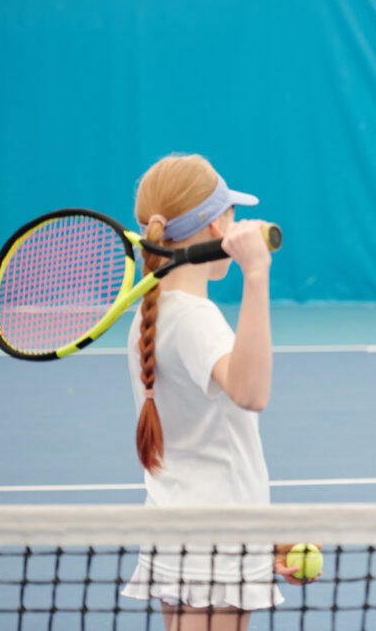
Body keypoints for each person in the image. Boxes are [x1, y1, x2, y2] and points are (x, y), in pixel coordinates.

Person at [119, 154, 308, 631]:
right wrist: (257, 274)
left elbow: (205, 453)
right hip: (214, 546)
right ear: (212, 226)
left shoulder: (154, 313)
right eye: (231, 214)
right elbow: (251, 391)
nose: (237, 223)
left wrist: (262, 537)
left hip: (186, 532)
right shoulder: (194, 318)